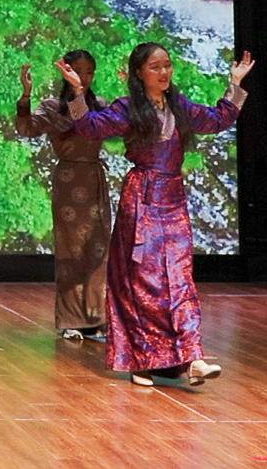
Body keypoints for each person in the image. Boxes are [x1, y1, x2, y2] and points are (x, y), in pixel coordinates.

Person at [57, 42, 254, 386]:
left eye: (167, 65)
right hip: (142, 200)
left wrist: (235, 83)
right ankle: (141, 359)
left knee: (180, 279)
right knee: (143, 282)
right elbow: (89, 127)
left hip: (173, 199)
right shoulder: (127, 108)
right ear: (139, 73)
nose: (164, 72)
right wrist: (77, 93)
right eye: (155, 67)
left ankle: (192, 358)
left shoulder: (178, 105)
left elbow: (218, 119)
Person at [15, 51, 111, 341]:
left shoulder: (101, 106)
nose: (84, 76)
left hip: (94, 179)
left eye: (89, 71)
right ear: (65, 71)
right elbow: (26, 128)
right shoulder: (53, 107)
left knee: (98, 251)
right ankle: (71, 319)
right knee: (71, 250)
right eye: (78, 70)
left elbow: (107, 126)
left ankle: (97, 318)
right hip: (69, 182)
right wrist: (26, 96)